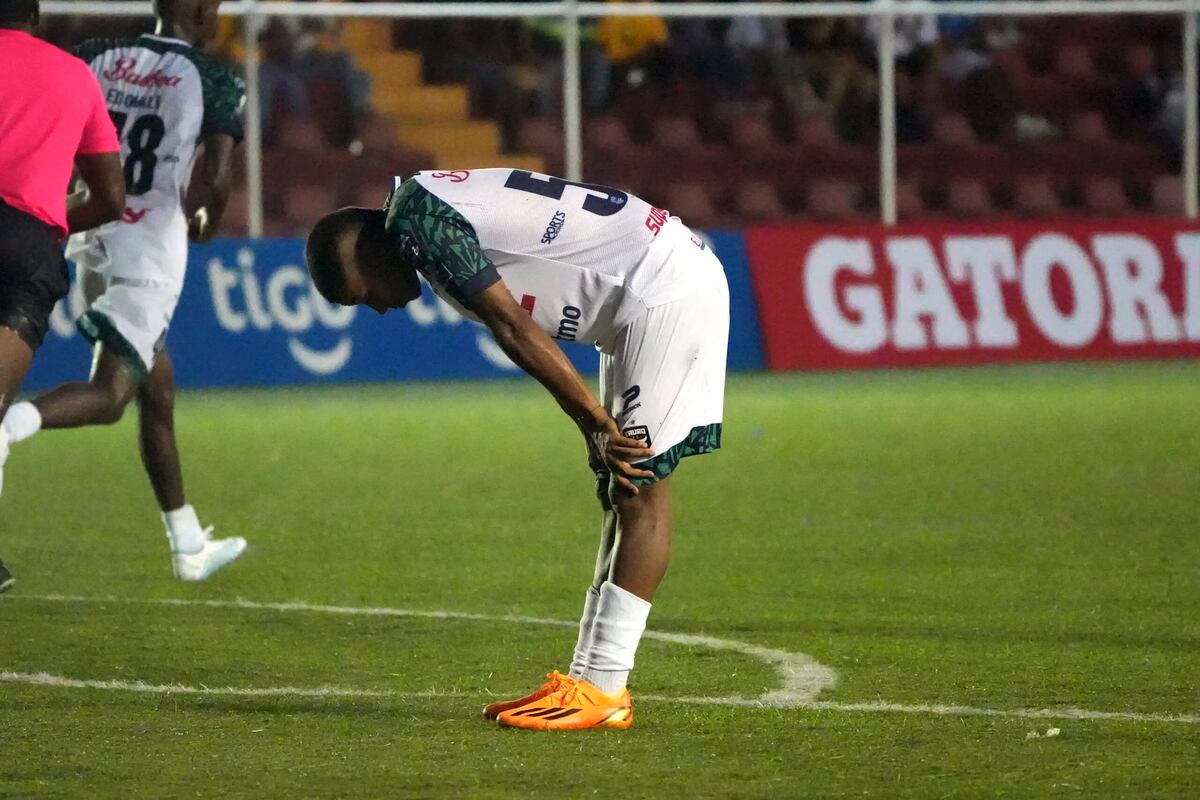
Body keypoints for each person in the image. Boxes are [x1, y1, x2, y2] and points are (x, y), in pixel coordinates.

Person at [305, 168, 729, 730]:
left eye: (364, 295)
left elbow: (513, 326)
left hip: (661, 293)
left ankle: (602, 689)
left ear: (373, 252)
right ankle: (588, 682)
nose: (378, 308)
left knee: (639, 491)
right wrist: (592, 425)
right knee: (619, 490)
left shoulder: (419, 221)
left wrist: (596, 422)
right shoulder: (424, 211)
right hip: (641, 296)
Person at [0, 0, 248, 582]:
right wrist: (208, 219)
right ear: (198, 10)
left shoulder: (96, 55)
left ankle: (187, 541)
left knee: (154, 388)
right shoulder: (214, 76)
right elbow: (215, 175)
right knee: (112, 394)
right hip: (151, 248)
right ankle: (11, 427)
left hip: (88, 238)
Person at [0, 0, 126, 592]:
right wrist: (49, 222)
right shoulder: (74, 75)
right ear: (37, 16)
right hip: (27, 248)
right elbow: (108, 197)